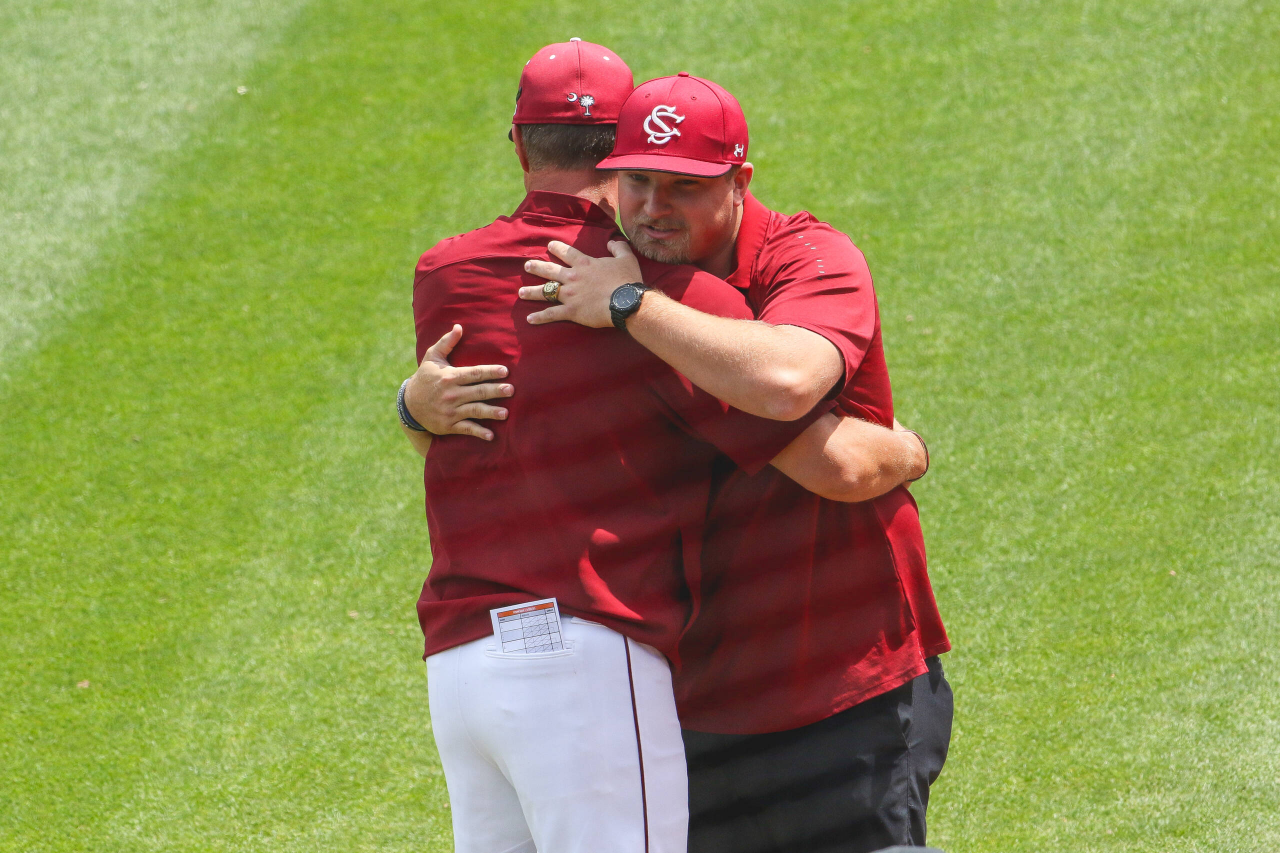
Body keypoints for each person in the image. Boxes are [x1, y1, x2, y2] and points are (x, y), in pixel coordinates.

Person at [401, 42, 927, 853]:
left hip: (828, 679)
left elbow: (814, 420)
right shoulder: (651, 290)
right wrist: (413, 407)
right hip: (667, 679)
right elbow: (841, 460)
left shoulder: (461, 273)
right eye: (641, 180)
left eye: (684, 185)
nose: (653, 207)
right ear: (612, 164)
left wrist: (629, 304)